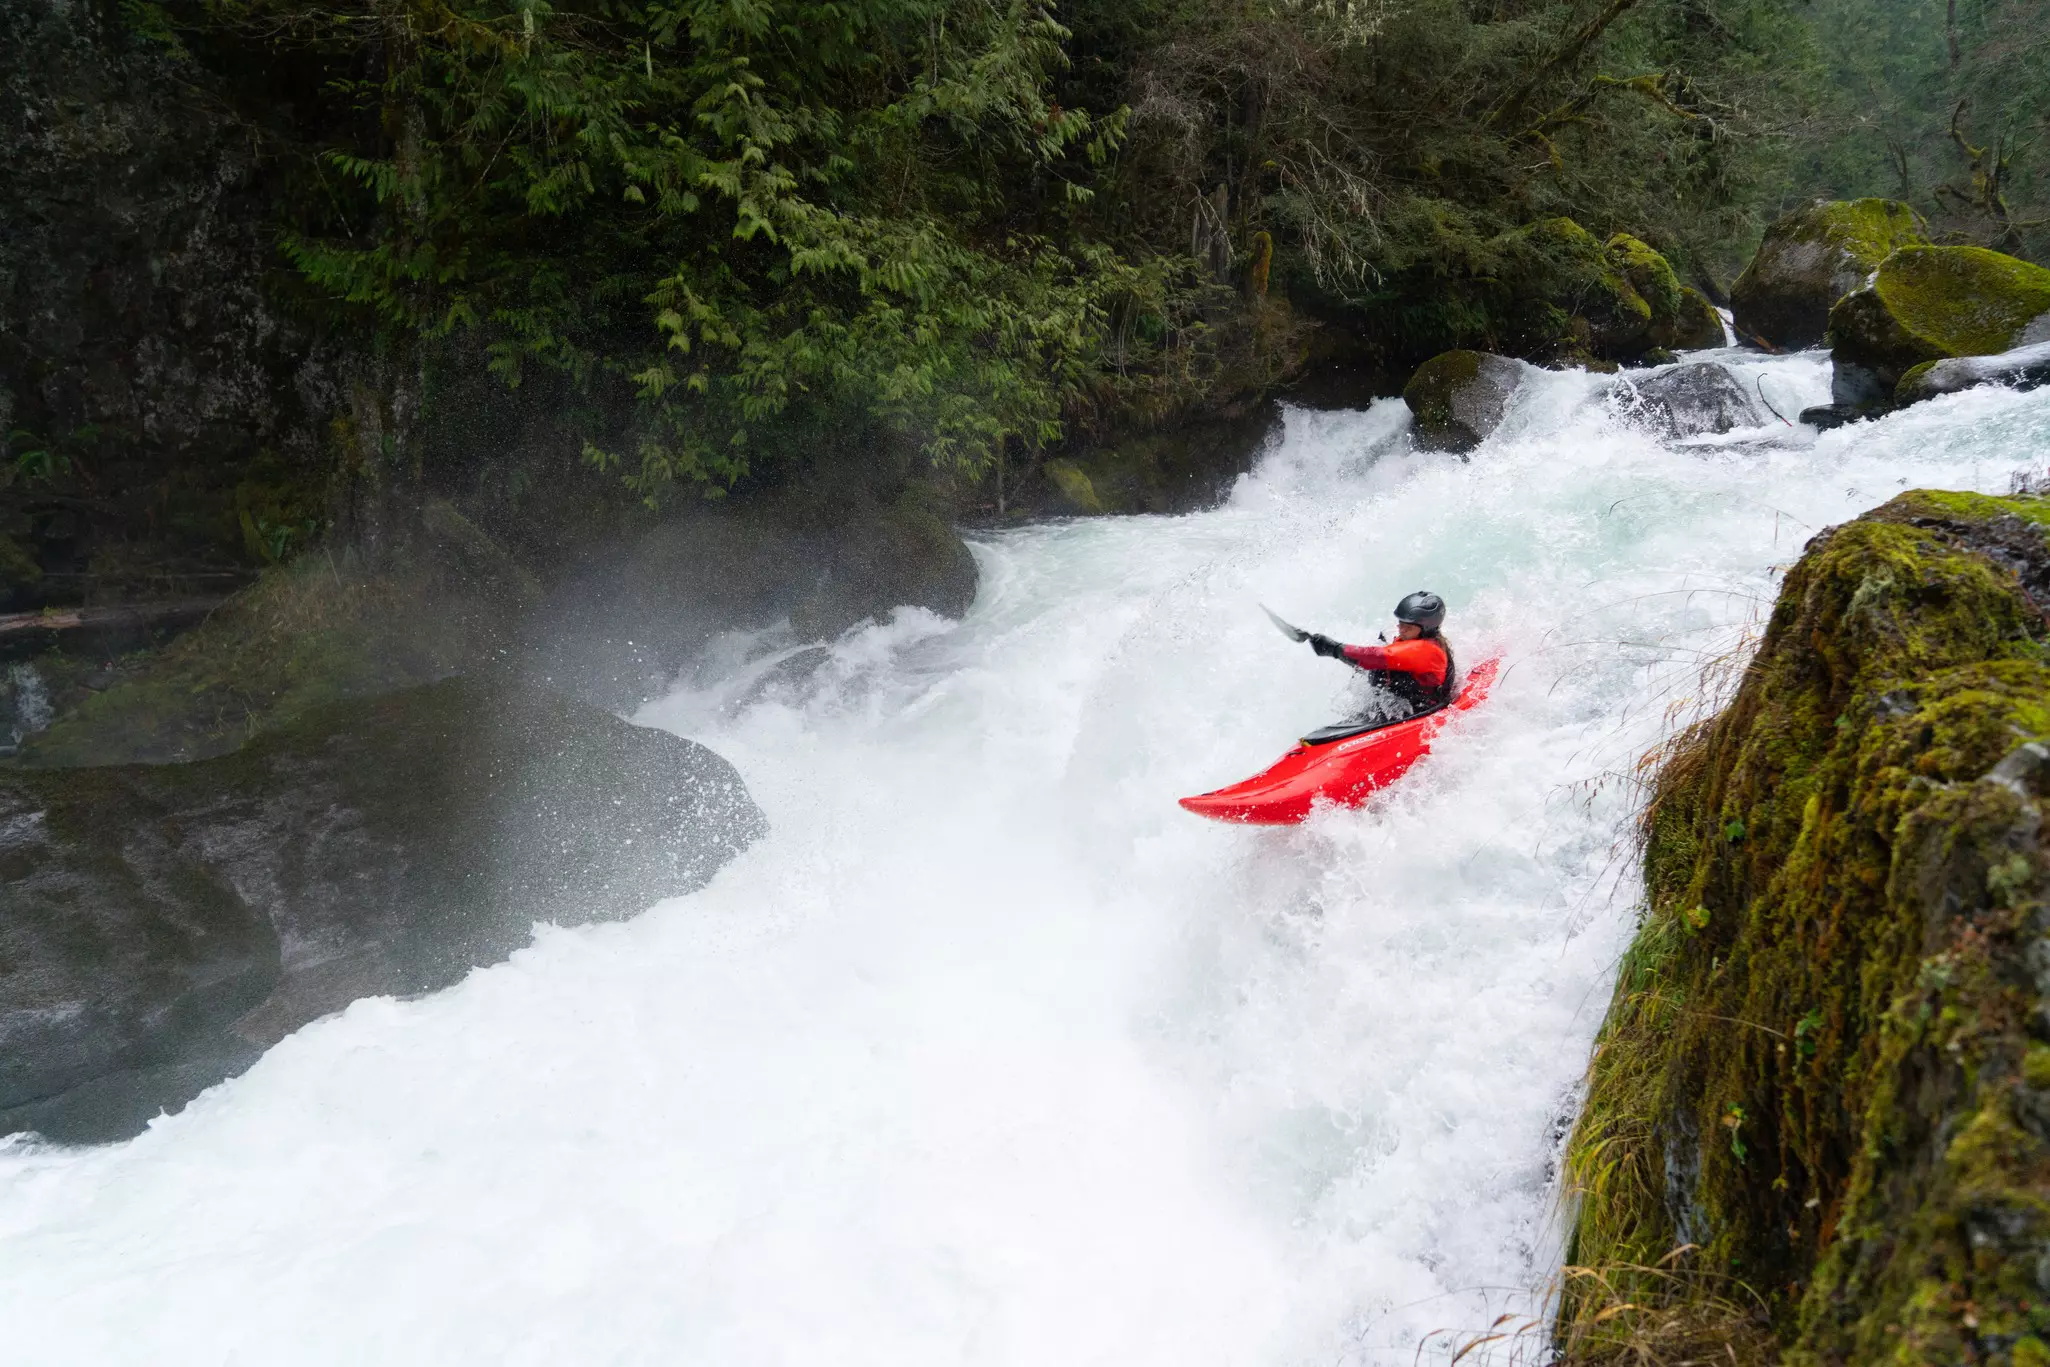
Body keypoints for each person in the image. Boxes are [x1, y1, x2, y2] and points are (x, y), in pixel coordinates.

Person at [1305, 591, 1456, 720]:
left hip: (1420, 710)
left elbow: (1377, 657)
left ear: (1426, 628)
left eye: (1408, 626)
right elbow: (1371, 661)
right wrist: (1345, 656)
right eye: (1400, 623)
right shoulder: (1413, 639)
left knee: (1378, 667)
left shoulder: (1427, 650)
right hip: (1401, 703)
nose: (1401, 629)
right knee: (1374, 668)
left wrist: (1335, 649)